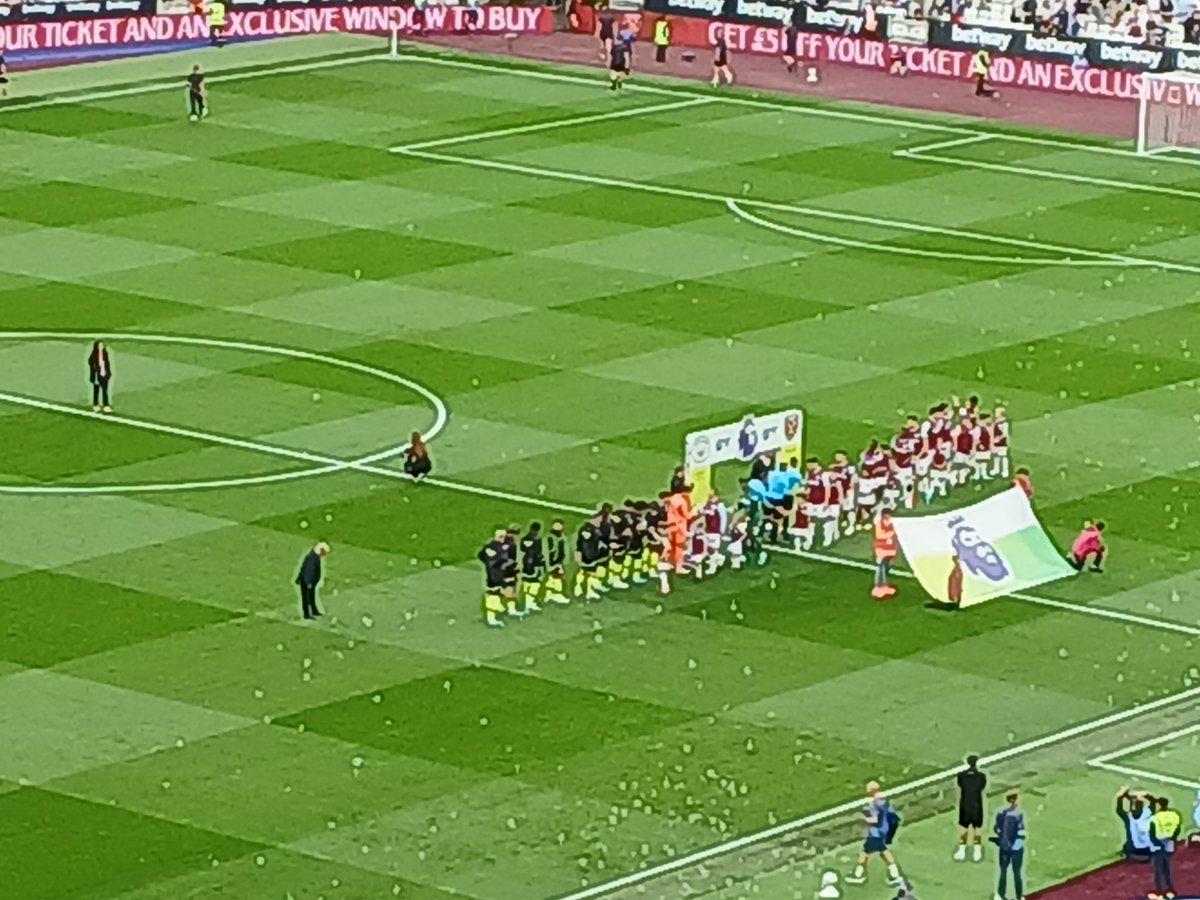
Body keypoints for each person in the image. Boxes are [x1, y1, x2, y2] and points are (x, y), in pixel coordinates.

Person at [845, 781, 904, 886]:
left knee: (866, 853)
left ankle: (859, 875)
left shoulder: (874, 804)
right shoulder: (884, 802)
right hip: (883, 832)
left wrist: (864, 817)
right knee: (882, 852)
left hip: (875, 833)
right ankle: (894, 873)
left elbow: (874, 820)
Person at [993, 791, 1025, 900]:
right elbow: (1021, 831)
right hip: (1016, 848)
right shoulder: (1018, 814)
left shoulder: (1000, 812)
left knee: (1003, 871)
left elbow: (996, 829)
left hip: (1004, 847)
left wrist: (1002, 838)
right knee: (1017, 873)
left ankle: (1000, 895)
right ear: (1014, 800)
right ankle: (1019, 896)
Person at [1148, 796, 1182, 900]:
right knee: (1166, 868)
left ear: (1159, 805)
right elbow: (1177, 829)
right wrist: (1173, 839)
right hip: (1169, 843)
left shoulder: (1155, 817)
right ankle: (1170, 888)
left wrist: (1157, 844)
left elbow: (1152, 833)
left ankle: (1160, 891)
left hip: (1159, 844)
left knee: (1158, 869)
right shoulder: (1174, 815)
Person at [955, 755, 986, 861]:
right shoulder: (981, 776)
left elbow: (960, 785)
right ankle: (977, 852)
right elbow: (982, 786)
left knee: (963, 828)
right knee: (977, 828)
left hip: (965, 804)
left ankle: (962, 851)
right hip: (977, 805)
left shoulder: (962, 776)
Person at [478, 529, 509, 627]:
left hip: (501, 575)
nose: (503, 538)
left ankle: (494, 615)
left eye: (504, 536)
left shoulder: (504, 546)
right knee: (493, 594)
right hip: (493, 576)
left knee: (499, 594)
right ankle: (491, 619)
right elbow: (484, 556)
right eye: (500, 536)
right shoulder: (491, 548)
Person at [1116, 786, 1154, 861]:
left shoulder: (1128, 817)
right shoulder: (1148, 814)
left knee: (1127, 844)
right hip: (1148, 852)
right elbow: (1152, 801)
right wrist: (1145, 794)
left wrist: (1120, 798)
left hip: (1133, 852)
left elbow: (1119, 809)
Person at [296, 542, 329, 620]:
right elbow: (309, 571)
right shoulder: (313, 558)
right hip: (307, 582)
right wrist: (309, 582)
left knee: (311, 597)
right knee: (306, 598)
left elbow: (303, 568)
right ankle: (307, 615)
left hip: (308, 581)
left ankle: (313, 611)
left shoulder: (313, 556)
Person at [519, 522, 545, 612]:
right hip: (532, 564)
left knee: (529, 582)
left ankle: (528, 602)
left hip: (526, 563)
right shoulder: (537, 540)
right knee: (534, 582)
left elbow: (522, 548)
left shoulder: (525, 539)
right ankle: (529, 602)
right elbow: (538, 553)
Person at [871, 510, 897, 599]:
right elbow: (879, 535)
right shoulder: (879, 524)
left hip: (889, 550)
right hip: (881, 549)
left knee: (886, 567)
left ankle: (884, 585)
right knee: (879, 567)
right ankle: (877, 586)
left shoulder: (893, 523)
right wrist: (890, 534)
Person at [544, 519, 569, 604]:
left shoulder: (562, 537)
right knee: (556, 577)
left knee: (555, 577)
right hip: (552, 561)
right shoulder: (549, 537)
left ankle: (549, 594)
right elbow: (547, 551)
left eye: (559, 525)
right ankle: (555, 594)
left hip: (558, 560)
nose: (558, 527)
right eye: (556, 525)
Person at [88, 341, 113, 413]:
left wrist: (108, 373)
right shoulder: (94, 355)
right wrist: (95, 369)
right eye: (99, 346)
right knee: (96, 391)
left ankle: (106, 405)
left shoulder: (105, 354)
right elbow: (90, 362)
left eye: (102, 346)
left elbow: (107, 364)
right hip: (97, 376)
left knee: (105, 391)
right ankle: (95, 404)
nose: (101, 347)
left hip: (104, 375)